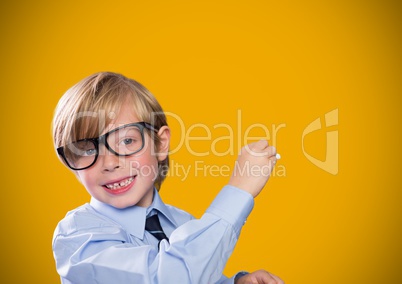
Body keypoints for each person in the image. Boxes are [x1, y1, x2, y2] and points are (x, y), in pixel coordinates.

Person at [52, 72, 284, 284]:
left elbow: (197, 275)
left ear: (160, 143)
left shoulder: (183, 223)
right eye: (87, 149)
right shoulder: (78, 237)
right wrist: (238, 191)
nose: (110, 163)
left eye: (126, 141)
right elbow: (166, 277)